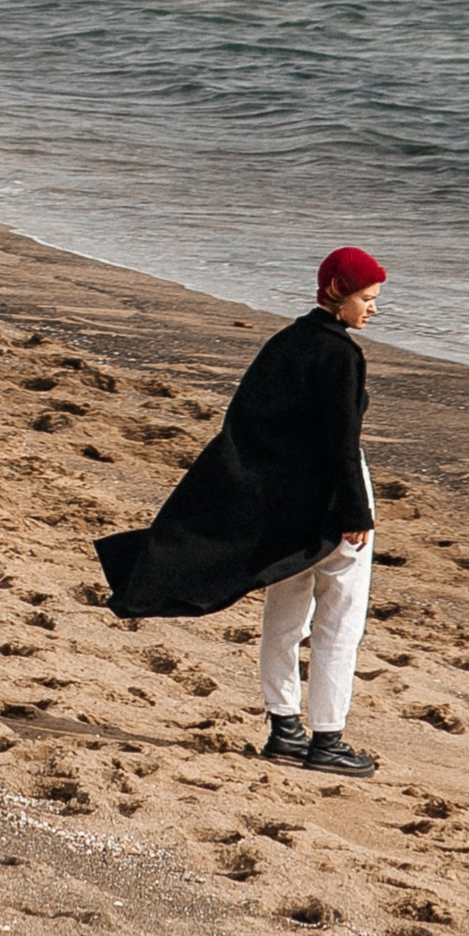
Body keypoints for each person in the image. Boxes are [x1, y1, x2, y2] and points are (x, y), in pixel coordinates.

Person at [94, 246, 387, 778]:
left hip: (288, 508)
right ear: (339, 294)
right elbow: (342, 441)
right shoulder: (342, 355)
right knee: (339, 623)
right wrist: (357, 510)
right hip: (336, 504)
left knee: (284, 617)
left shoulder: (284, 343)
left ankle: (284, 730)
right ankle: (327, 739)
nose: (374, 309)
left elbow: (246, 426)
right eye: (367, 299)